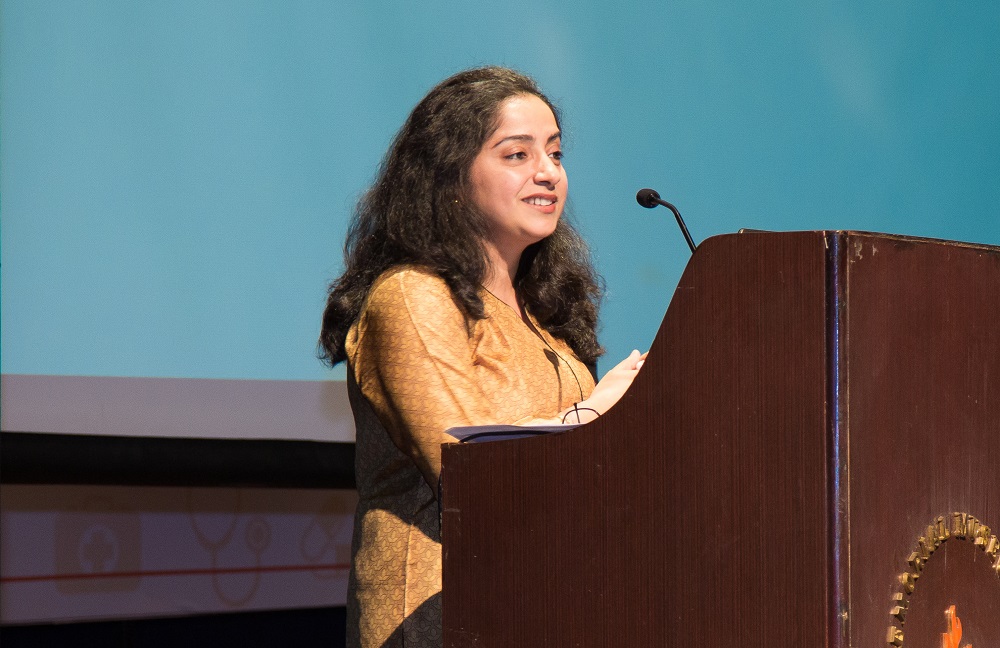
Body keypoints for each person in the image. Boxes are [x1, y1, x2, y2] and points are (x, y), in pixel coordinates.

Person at [319, 66, 644, 648]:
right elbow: (471, 474)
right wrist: (598, 413)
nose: (548, 172)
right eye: (517, 155)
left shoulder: (546, 317)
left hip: (546, 609)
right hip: (438, 618)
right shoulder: (412, 296)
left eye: (555, 153)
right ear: (450, 175)